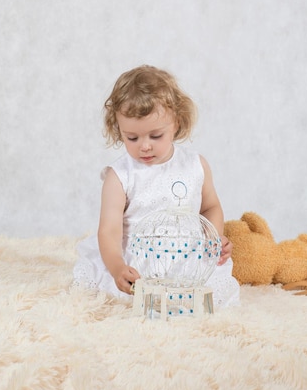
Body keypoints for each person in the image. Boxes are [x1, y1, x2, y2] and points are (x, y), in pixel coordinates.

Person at [73, 65, 240, 308]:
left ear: (176, 123)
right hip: (140, 261)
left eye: (155, 136)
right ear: (119, 129)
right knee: (127, 298)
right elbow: (109, 231)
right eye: (132, 138)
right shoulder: (120, 176)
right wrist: (118, 267)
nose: (144, 146)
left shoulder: (195, 165)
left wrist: (214, 238)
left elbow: (210, 207)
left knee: (211, 293)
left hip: (187, 260)